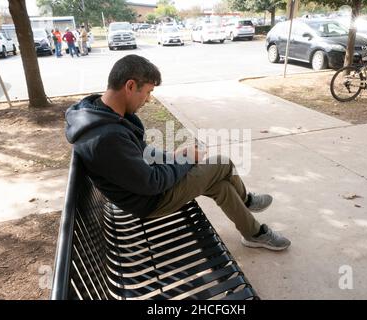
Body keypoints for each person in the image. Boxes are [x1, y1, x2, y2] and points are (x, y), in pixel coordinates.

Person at [65, 55, 291, 251]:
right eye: (148, 92)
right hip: (151, 200)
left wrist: (172, 156)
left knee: (220, 186)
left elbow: (141, 151)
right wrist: (185, 159)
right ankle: (247, 200)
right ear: (130, 86)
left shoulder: (98, 112)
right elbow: (151, 183)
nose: (148, 100)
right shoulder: (106, 137)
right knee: (222, 163)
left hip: (143, 190)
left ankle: (254, 233)